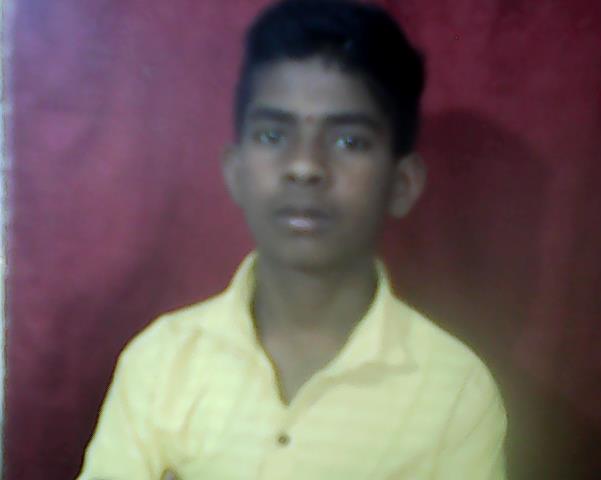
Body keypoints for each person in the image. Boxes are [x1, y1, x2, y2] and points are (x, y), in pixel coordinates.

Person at [77, 0, 507, 478]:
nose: (304, 166)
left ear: (401, 185)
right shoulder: (160, 362)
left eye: (349, 141)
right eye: (272, 135)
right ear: (235, 172)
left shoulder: (454, 393)